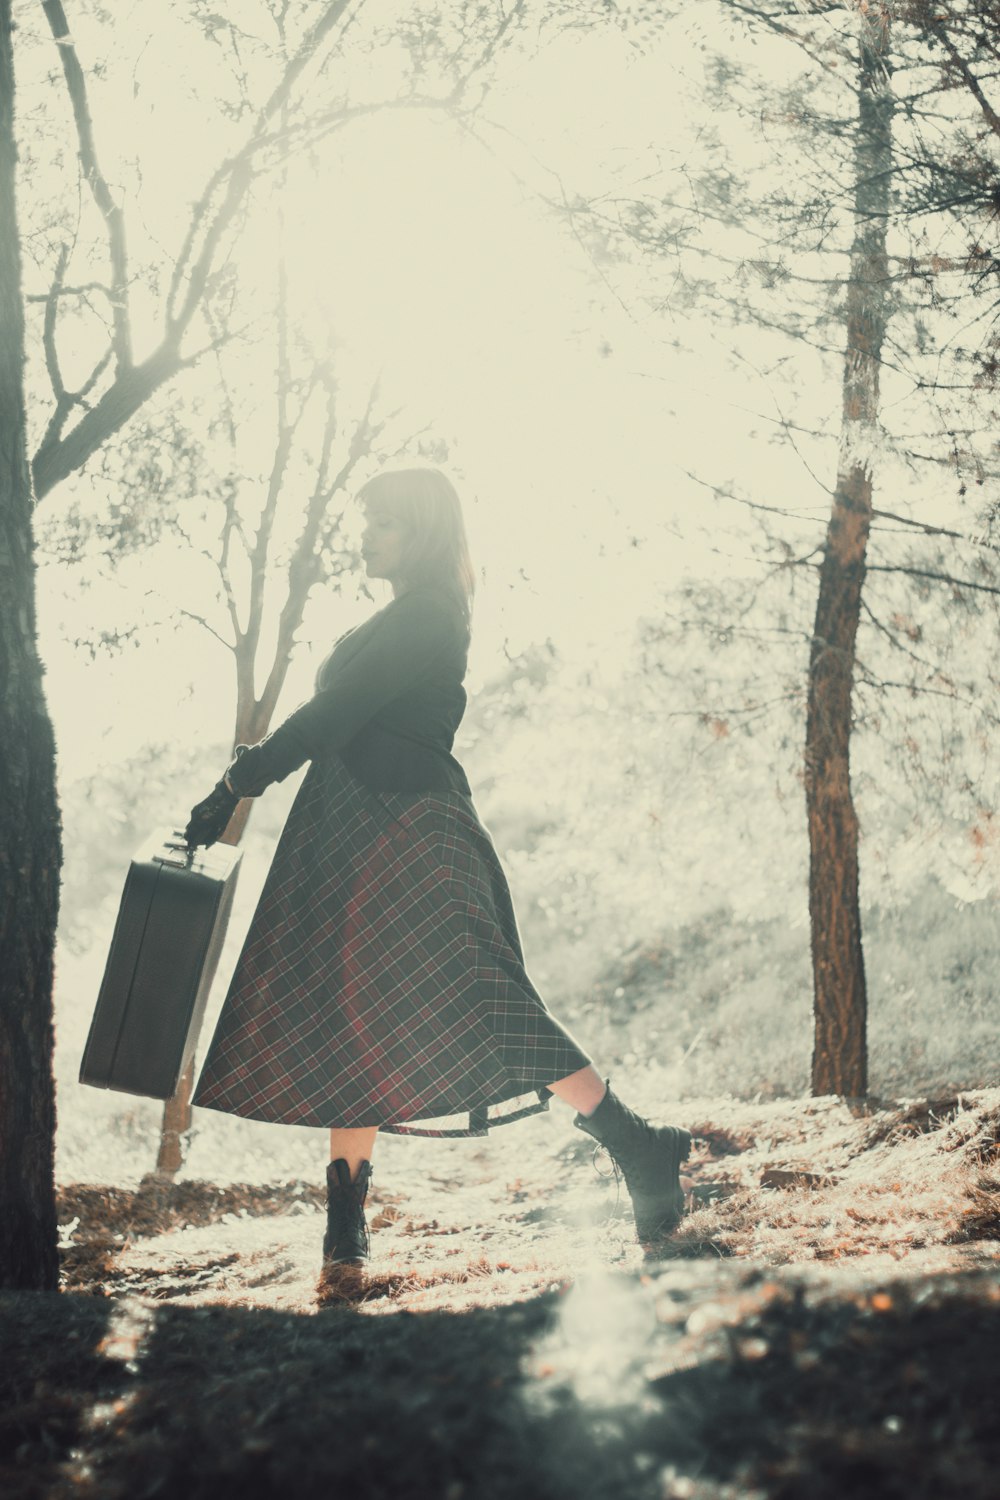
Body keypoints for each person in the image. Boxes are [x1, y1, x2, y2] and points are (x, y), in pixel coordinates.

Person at [184, 468, 690, 1270]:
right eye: (367, 522)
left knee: (490, 996)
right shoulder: (398, 616)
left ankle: (638, 1145)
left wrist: (237, 782)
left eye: (382, 523)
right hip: (357, 834)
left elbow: (332, 716)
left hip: (413, 833)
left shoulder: (427, 617)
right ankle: (345, 1228)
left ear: (419, 532)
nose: (365, 536)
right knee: (349, 1018)